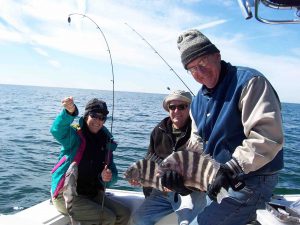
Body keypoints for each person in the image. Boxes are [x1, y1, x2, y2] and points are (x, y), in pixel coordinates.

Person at [176, 29, 284, 225]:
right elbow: (197, 142)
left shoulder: (250, 82)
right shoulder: (198, 101)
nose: (199, 73)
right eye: (192, 69)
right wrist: (182, 176)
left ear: (217, 56)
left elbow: (266, 137)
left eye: (202, 63)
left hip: (253, 180)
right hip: (219, 181)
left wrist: (228, 170)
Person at [130, 90, 207, 225]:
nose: (176, 110)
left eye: (182, 106)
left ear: (190, 109)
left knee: (191, 223)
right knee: (139, 219)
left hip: (191, 192)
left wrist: (184, 187)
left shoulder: (198, 132)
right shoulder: (158, 130)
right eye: (172, 107)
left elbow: (203, 170)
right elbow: (150, 161)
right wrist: (143, 180)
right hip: (162, 193)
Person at [50, 97, 130, 225]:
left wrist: (107, 177)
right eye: (94, 115)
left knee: (124, 213)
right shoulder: (75, 133)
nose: (98, 120)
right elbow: (57, 131)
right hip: (65, 195)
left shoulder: (106, 142)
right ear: (87, 115)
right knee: (107, 217)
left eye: (102, 118)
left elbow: (113, 175)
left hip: (91, 194)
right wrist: (69, 112)